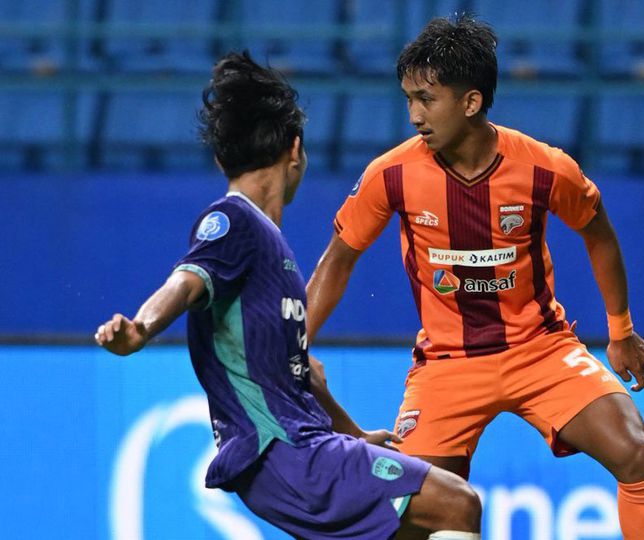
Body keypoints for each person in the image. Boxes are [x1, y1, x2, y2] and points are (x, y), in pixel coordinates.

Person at [306, 16, 644, 540]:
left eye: (427, 99)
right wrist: (293, 344)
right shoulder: (391, 174)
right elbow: (338, 260)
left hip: (541, 350)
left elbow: (598, 232)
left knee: (636, 452)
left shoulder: (545, 168)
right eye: (408, 99)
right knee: (411, 512)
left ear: (471, 102)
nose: (414, 115)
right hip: (448, 364)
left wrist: (620, 330)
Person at [95, 51, 481, 540]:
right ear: (295, 150)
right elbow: (186, 282)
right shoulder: (233, 220)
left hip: (298, 450)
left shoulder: (271, 249)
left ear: (221, 157)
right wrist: (142, 329)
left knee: (419, 528)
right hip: (286, 451)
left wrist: (355, 433)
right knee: (457, 505)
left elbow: (305, 374)